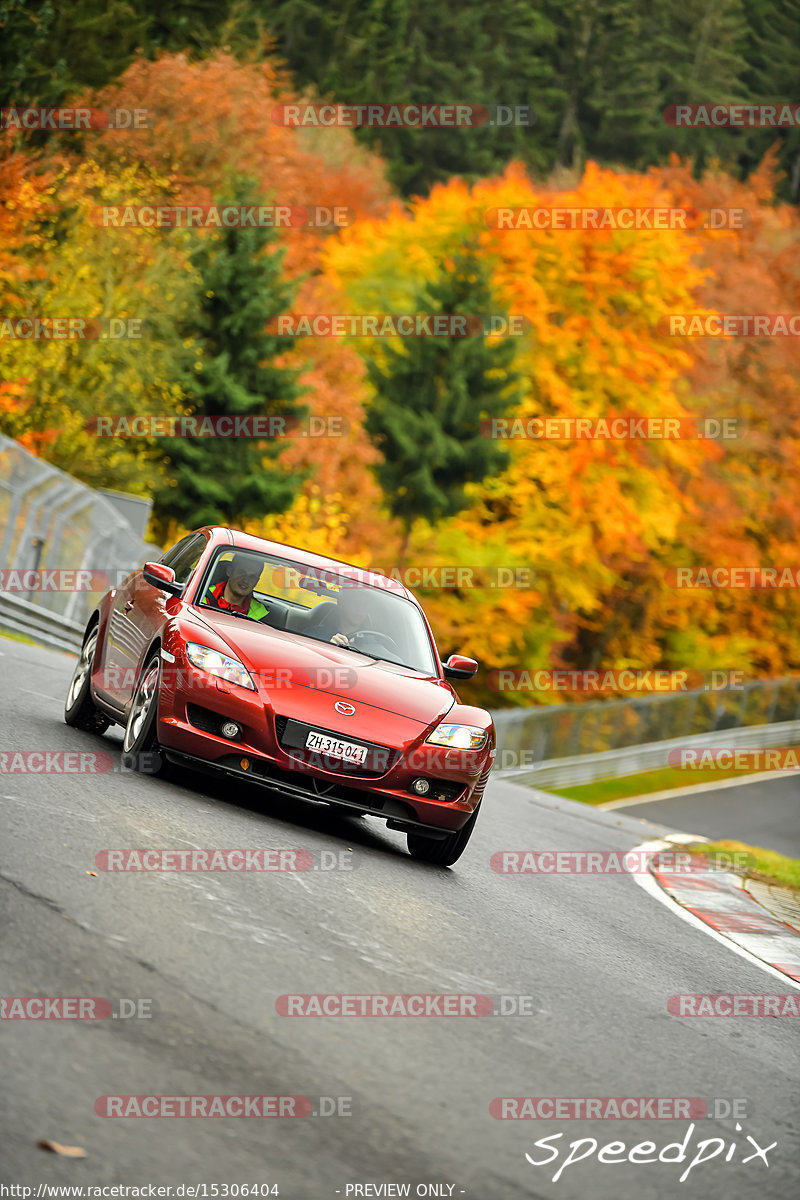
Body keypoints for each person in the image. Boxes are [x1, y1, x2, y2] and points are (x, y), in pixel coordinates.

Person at [202, 554, 270, 621]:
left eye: (252, 577)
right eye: (242, 573)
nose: (246, 580)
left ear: (256, 581)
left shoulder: (262, 615)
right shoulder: (201, 597)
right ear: (229, 572)